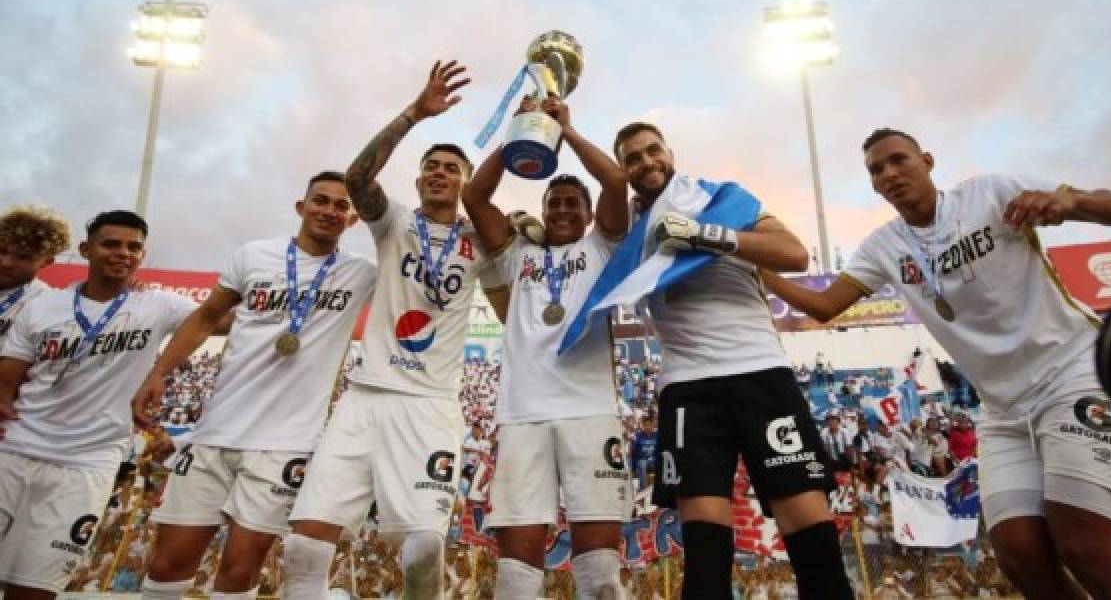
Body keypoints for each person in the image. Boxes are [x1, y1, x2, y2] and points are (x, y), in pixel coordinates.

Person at [763, 127, 1111, 600]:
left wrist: (1066, 203)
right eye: (876, 170)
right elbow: (824, 307)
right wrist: (757, 269)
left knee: (1085, 546)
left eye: (898, 161)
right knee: (1018, 554)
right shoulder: (884, 246)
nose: (888, 174)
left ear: (927, 161)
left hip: (1070, 373)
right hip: (1003, 409)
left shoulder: (990, 193)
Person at [281, 61, 506, 600]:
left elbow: (510, 313)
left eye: (451, 168)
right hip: (365, 398)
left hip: (430, 407)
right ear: (418, 177)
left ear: (465, 182)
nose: (439, 172)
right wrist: (414, 114)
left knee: (426, 548)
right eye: (431, 165)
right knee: (302, 550)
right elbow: (357, 179)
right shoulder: (395, 223)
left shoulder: (481, 243)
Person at [612, 122, 853, 599]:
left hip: (760, 374)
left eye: (652, 150)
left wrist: (705, 235)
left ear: (669, 152)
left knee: (812, 542)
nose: (646, 162)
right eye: (632, 158)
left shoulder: (719, 198)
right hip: (687, 387)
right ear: (623, 171)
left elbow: (795, 253)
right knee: (703, 557)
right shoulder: (629, 231)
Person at [132, 172, 376, 600]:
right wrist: (159, 373)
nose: (329, 210)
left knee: (239, 571)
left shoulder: (360, 273)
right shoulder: (254, 255)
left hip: (285, 445)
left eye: (341, 205)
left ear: (352, 219)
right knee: (168, 565)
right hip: (214, 433)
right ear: (300, 207)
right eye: (320, 200)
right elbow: (207, 317)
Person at [462, 94, 631, 598]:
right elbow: (475, 198)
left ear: (585, 215)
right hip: (522, 415)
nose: (561, 209)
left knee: (600, 573)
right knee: (516, 570)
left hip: (591, 411)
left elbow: (617, 182)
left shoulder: (601, 247)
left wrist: (566, 133)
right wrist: (520, 132)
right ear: (542, 209)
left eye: (571, 204)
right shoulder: (518, 254)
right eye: (553, 203)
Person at [0, 211, 201, 600]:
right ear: (85, 249)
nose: (122, 253)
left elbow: (216, 316)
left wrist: (160, 371)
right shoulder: (44, 305)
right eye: (111, 244)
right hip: (14, 450)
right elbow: (8, 379)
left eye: (133, 247)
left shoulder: (158, 304)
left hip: (87, 465)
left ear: (142, 255)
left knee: (36, 590)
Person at [0, 206, 71, 341]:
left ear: (47, 262)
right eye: (2, 251)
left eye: (23, 257)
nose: (6, 263)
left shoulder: (46, 304)